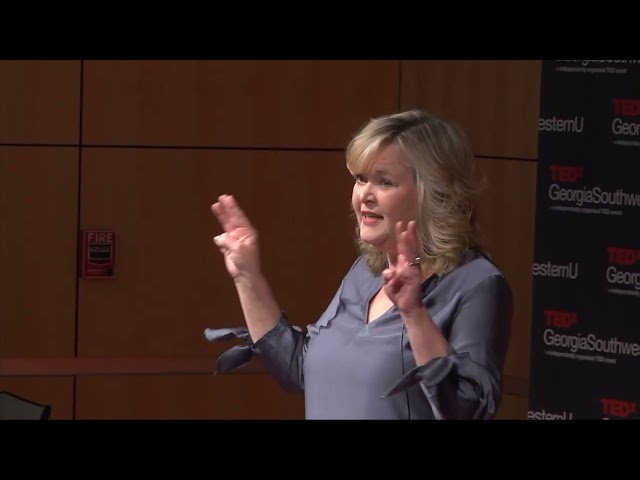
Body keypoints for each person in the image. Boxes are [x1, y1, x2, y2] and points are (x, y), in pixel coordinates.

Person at [205, 109, 513, 420]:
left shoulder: (477, 283)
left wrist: (414, 314)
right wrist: (248, 276)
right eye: (361, 179)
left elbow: (468, 409)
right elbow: (298, 370)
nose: (365, 194)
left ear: (434, 193)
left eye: (385, 182)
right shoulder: (364, 272)